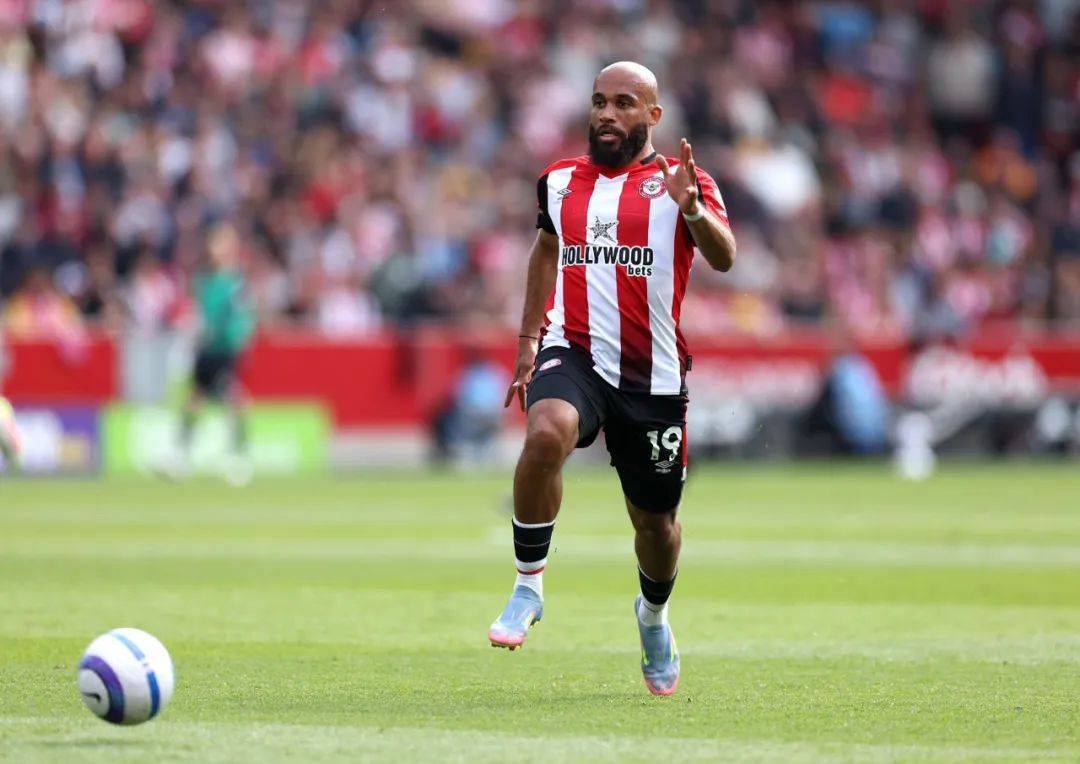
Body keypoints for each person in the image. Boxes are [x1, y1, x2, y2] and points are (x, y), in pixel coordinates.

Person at [487, 62, 737, 696]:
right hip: (574, 351)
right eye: (599, 101)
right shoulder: (558, 181)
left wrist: (692, 209)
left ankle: (653, 616)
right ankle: (527, 585)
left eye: (624, 103)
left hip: (651, 375)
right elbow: (547, 248)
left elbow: (724, 256)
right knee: (546, 432)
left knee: (655, 525)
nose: (606, 113)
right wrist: (528, 343)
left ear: (653, 115)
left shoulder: (682, 181)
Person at [172, 222, 255, 484]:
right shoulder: (203, 280)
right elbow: (195, 311)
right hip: (204, 348)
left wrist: (238, 338)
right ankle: (180, 455)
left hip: (224, 349)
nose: (216, 248)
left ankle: (239, 455)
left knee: (234, 399)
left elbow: (242, 317)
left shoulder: (235, 282)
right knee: (195, 398)